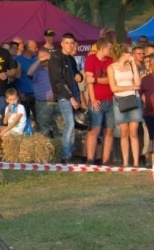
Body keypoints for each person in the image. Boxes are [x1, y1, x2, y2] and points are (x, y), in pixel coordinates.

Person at [45, 33, 81, 162]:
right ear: (61, 43)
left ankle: (69, 153)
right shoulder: (56, 57)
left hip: (73, 93)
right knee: (69, 124)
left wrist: (79, 76)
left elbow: (75, 74)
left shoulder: (71, 59)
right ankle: (65, 155)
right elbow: (58, 80)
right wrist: (71, 97)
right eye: (67, 43)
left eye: (72, 43)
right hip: (63, 95)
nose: (70, 46)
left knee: (72, 125)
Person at [107, 44, 143, 168]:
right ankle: (126, 162)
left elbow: (138, 83)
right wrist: (131, 87)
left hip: (134, 99)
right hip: (119, 100)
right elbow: (114, 88)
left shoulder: (132, 66)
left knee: (133, 132)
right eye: (129, 53)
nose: (131, 55)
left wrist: (133, 64)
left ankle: (136, 162)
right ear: (123, 53)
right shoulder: (111, 67)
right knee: (124, 132)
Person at [81, 39, 114, 164]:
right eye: (109, 48)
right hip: (97, 99)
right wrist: (93, 99)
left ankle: (105, 160)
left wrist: (96, 80)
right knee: (94, 129)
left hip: (110, 99)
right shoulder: (91, 59)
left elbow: (111, 80)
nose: (110, 51)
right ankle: (90, 158)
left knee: (109, 130)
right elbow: (89, 81)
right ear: (102, 48)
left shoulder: (110, 61)